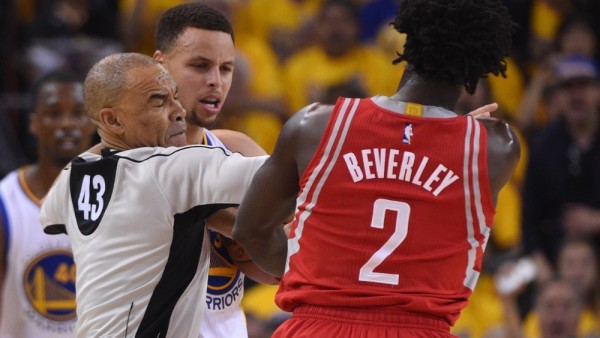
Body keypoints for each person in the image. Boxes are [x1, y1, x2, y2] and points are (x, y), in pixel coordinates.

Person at [232, 0, 520, 336]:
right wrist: (460, 131)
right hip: (418, 329)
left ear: (406, 45)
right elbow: (429, 151)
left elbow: (249, 229)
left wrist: (317, 280)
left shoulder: (314, 126)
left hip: (319, 324)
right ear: (476, 72)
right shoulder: (496, 148)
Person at [38, 52, 268, 338]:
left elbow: (48, 217)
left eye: (174, 96)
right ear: (113, 120)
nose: (179, 110)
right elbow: (283, 173)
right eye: (159, 101)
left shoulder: (72, 176)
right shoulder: (171, 168)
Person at [153, 3, 276, 338]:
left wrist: (250, 243)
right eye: (200, 65)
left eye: (225, 68)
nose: (215, 81)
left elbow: (285, 266)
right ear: (160, 66)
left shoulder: (238, 151)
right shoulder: (124, 161)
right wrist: (237, 222)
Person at [0, 70, 96, 337]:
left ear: (93, 123)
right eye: (54, 114)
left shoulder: (116, 199)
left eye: (78, 114)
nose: (67, 124)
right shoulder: (6, 203)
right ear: (33, 123)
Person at [521, 54, 600, 286]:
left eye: (583, 86)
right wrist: (542, 267)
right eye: (567, 88)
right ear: (558, 96)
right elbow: (529, 218)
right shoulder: (543, 144)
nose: (576, 95)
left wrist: (596, 221)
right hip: (554, 258)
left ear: (597, 91)